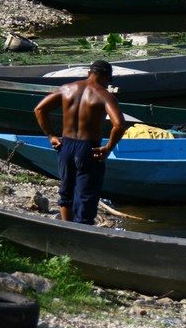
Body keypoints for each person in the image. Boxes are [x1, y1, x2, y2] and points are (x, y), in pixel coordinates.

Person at [34, 60, 127, 225]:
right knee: (86, 195)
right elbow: (119, 125)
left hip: (66, 146)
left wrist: (51, 136)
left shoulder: (67, 89)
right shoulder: (105, 96)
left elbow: (39, 109)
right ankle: (83, 233)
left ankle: (67, 231)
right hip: (88, 149)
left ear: (88, 73)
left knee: (66, 193)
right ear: (107, 77)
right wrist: (108, 148)